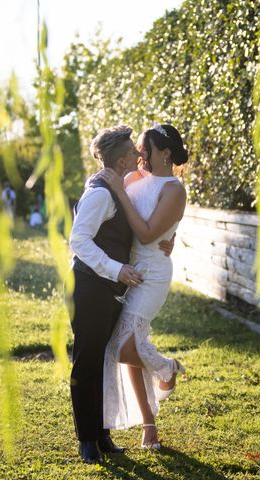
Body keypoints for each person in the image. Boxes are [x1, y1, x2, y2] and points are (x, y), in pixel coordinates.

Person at [68, 125, 174, 464]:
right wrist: (117, 270)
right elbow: (78, 241)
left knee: (103, 360)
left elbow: (145, 222)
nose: (138, 155)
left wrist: (167, 240)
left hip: (110, 288)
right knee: (88, 363)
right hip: (88, 288)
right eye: (133, 152)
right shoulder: (101, 193)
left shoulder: (122, 185)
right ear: (120, 160)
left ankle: (102, 435)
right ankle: (87, 439)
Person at [99, 123, 188, 450]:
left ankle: (166, 368)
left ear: (165, 153)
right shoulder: (134, 178)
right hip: (127, 270)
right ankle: (149, 427)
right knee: (132, 344)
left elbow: (150, 233)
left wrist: (170, 237)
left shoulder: (174, 189)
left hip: (152, 274)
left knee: (122, 346)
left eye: (144, 149)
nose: (138, 154)